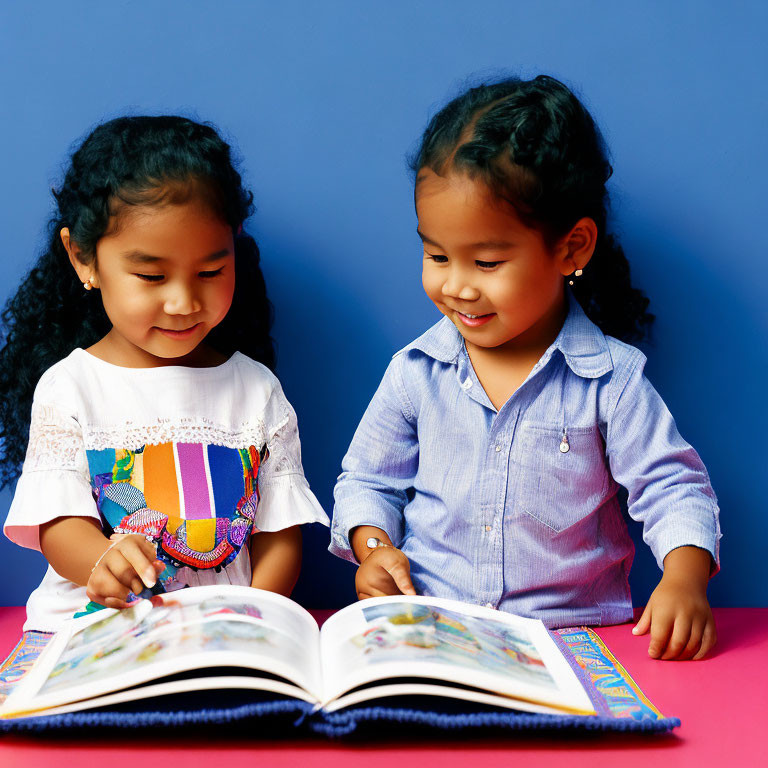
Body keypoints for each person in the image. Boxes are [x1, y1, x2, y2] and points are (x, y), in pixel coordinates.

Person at [329, 75, 721, 661]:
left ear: (572, 249)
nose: (454, 285)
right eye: (436, 255)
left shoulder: (610, 382)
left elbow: (673, 488)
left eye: (486, 261)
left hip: (578, 643)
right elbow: (366, 481)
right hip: (437, 631)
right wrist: (375, 545)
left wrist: (684, 581)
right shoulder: (416, 372)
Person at [0, 115, 328, 634]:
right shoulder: (70, 389)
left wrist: (251, 617)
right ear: (83, 258)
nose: (182, 302)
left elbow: (279, 537)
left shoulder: (257, 390)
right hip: (100, 630)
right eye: (151, 276)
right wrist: (102, 561)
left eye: (210, 272)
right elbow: (59, 524)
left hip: (220, 635)